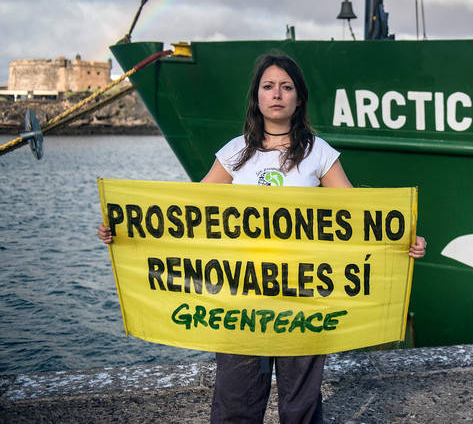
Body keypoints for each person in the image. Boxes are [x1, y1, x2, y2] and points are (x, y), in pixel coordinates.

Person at [98, 51, 427, 423]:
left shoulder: (319, 153)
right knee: (236, 399)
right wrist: (126, 230)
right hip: (240, 297)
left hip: (304, 295)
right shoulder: (234, 152)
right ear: (256, 96)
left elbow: (358, 217)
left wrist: (401, 242)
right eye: (268, 86)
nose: (277, 94)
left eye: (286, 87)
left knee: (301, 403)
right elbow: (188, 215)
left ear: (298, 97)